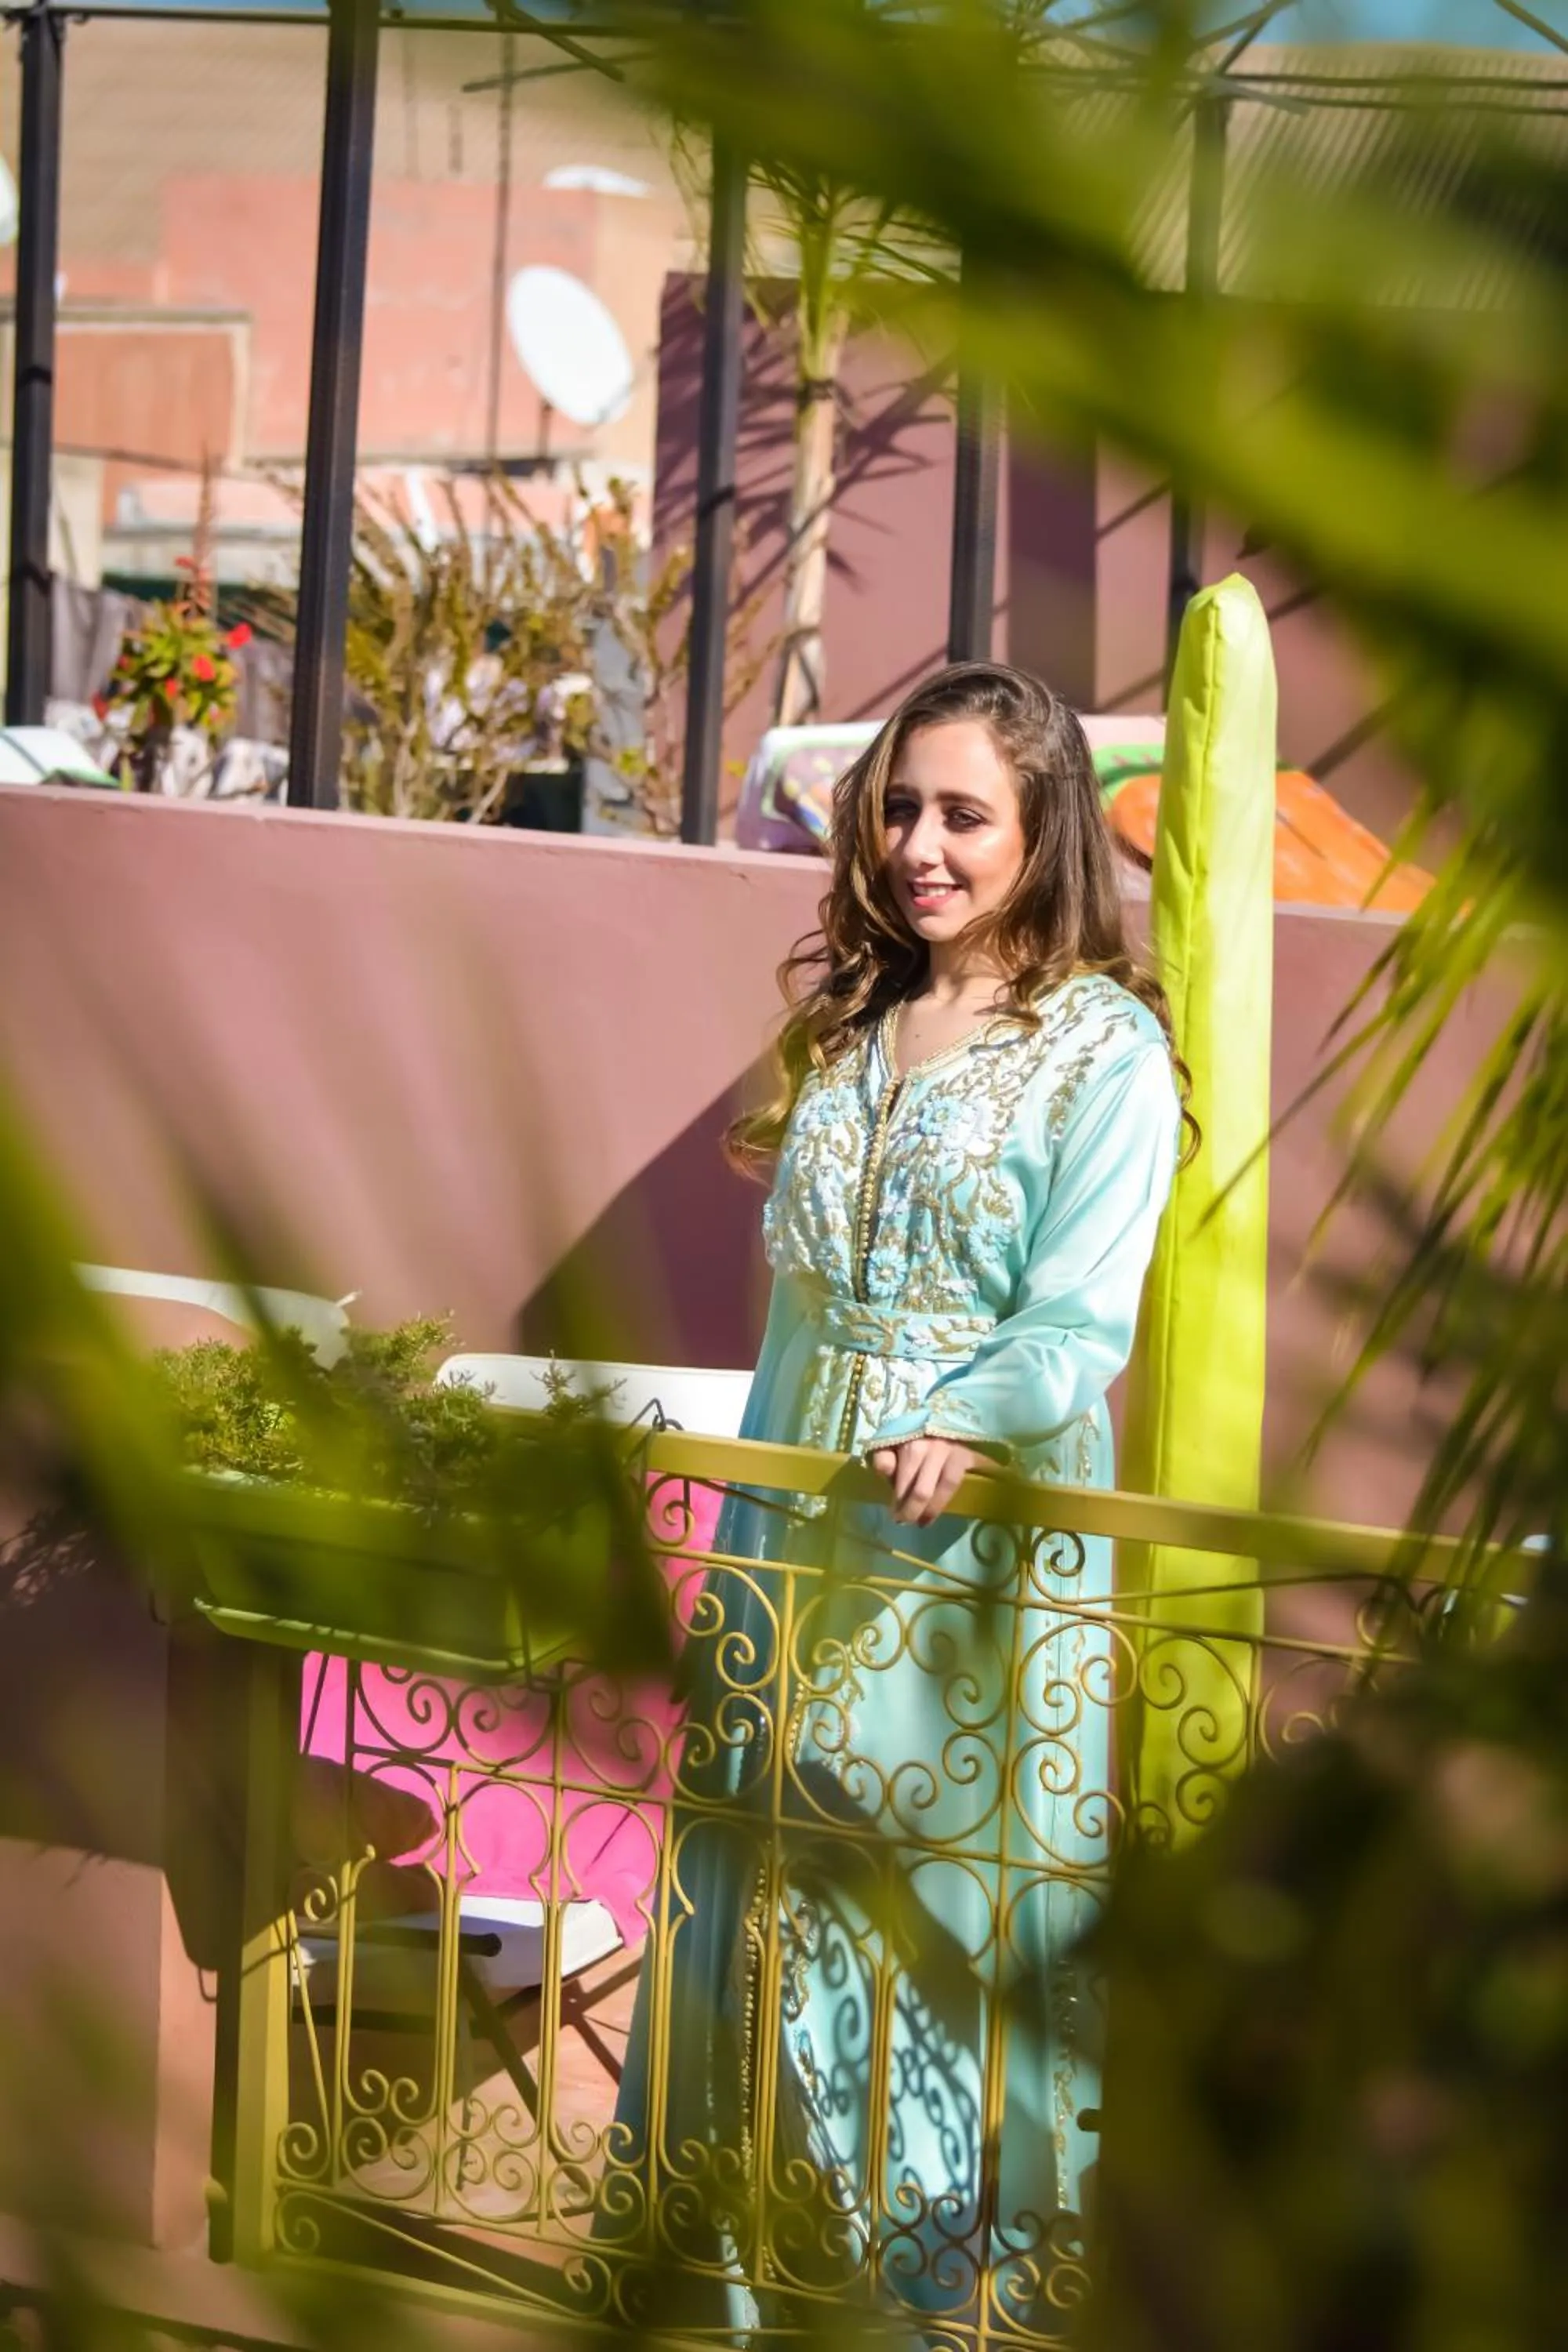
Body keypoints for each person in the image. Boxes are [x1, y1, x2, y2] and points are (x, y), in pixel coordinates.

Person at [598, 662, 1190, 2343]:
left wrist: (963, 1414)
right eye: (902, 808)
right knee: (757, 1905)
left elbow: (1079, 1316)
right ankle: (744, 2296)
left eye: (963, 816)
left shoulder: (1101, 1052)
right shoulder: (851, 1028)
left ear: (1041, 831)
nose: (920, 846)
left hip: (961, 1551)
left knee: (921, 1923)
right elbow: (799, 1302)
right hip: (794, 1525)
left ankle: (940, 2308)